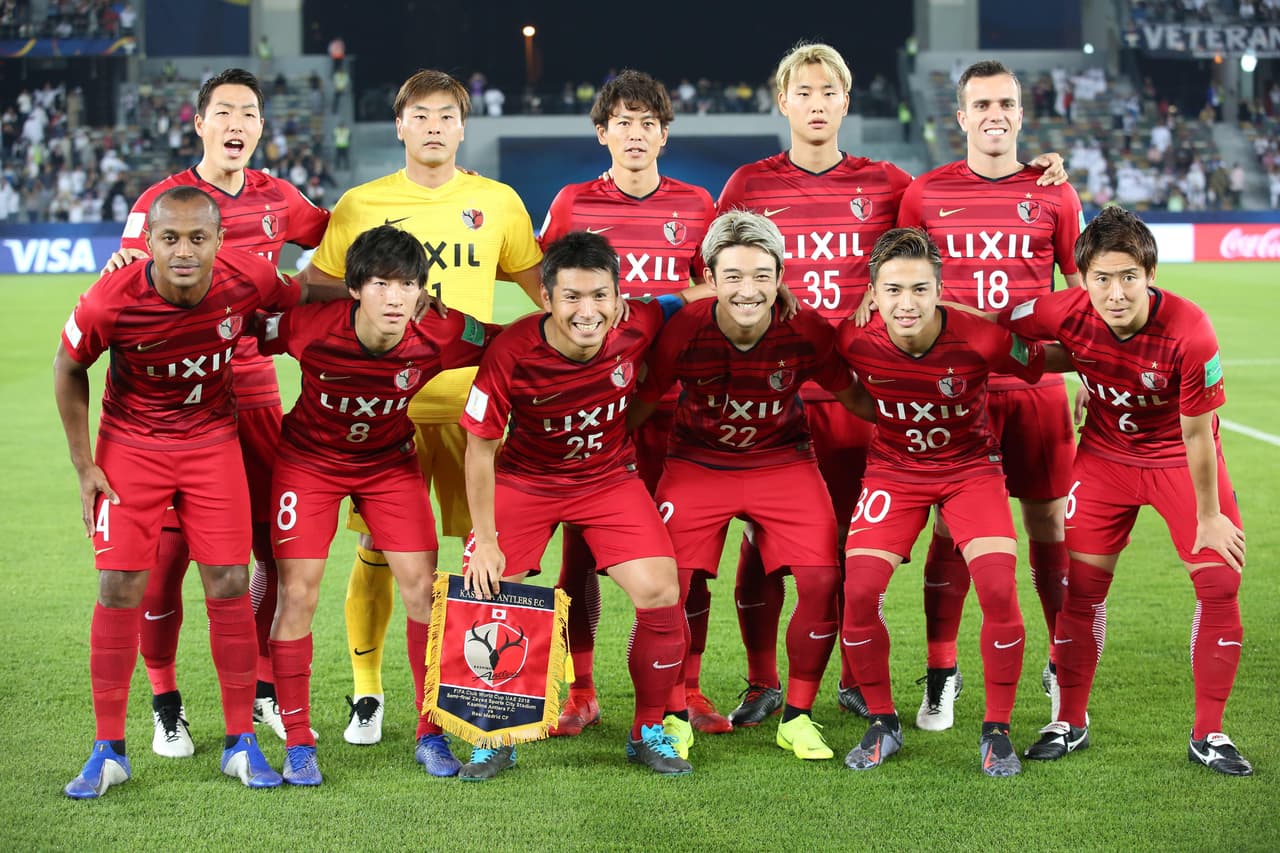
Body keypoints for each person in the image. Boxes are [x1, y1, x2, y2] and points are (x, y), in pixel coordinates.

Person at [296, 68, 543, 747]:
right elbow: (309, 294)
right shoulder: (359, 205)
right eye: (420, 115)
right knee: (380, 548)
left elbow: (547, 298)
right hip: (384, 418)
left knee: (480, 553)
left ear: (464, 127)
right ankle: (368, 691)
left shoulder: (499, 203)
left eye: (446, 116)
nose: (434, 126)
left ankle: (470, 694)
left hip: (473, 419)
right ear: (400, 124)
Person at [54, 186, 320, 798]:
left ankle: (239, 744)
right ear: (146, 243)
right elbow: (68, 367)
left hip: (210, 445)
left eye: (197, 238)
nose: (183, 251)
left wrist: (373, 288)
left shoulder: (247, 275)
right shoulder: (110, 298)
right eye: (169, 238)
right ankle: (108, 750)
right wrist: (83, 465)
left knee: (228, 580)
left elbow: (301, 293)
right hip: (131, 448)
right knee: (120, 584)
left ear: (219, 241)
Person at [111, 68, 332, 755]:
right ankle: (165, 700)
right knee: (167, 557)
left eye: (250, 113)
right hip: (179, 400)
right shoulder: (162, 199)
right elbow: (123, 274)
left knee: (272, 547)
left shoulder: (280, 198)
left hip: (258, 396)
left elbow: (335, 245)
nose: (237, 123)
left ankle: (264, 687)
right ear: (199, 122)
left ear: (262, 127)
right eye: (225, 111)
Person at [1000, 206, 1251, 777]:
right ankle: (1070, 720)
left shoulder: (1191, 330)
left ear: (1151, 275)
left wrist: (1209, 515)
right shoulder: (1061, 308)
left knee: (1219, 581)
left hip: (1177, 460)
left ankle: (1209, 733)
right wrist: (1071, 366)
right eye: (1102, 279)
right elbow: (1003, 325)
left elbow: (1197, 435)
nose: (1116, 293)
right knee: (1079, 588)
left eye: (1129, 277)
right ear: (1082, 279)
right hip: (1106, 459)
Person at [714, 42, 910, 727]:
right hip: (771, 394)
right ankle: (762, 680)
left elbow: (930, 251)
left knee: (859, 543)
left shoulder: (888, 184)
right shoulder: (748, 185)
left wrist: (1037, 173)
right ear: (783, 101)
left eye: (830, 91)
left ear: (845, 101)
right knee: (761, 543)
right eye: (805, 91)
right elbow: (714, 278)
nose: (818, 103)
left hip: (857, 393)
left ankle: (857, 675)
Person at [261, 225, 501, 785]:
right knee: (298, 592)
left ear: (423, 291)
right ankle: (298, 741)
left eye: (408, 285)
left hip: (388, 463)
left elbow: (504, 341)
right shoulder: (309, 329)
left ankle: (429, 732)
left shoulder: (439, 330)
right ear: (354, 290)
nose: (395, 297)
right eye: (380, 283)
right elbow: (242, 333)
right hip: (308, 462)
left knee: (424, 588)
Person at [459, 231, 693, 779]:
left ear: (618, 297)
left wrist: (761, 289)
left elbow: (684, 297)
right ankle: (494, 734)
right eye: (571, 298)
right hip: (526, 479)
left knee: (662, 590)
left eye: (600, 297)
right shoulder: (511, 353)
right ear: (545, 298)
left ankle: (648, 730)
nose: (587, 312)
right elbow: (479, 449)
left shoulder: (637, 320)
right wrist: (486, 540)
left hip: (607, 478)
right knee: (487, 588)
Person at [896, 59, 1083, 731]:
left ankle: (1063, 663)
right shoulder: (923, 194)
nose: (995, 113)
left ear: (1022, 115)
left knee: (1048, 528)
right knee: (950, 533)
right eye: (982, 103)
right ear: (961, 116)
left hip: (1036, 389)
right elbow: (903, 288)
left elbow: (1076, 291)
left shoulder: (1056, 194)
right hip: (954, 393)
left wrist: (1086, 371)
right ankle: (942, 673)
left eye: (1006, 102)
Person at [631, 210, 857, 761]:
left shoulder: (806, 327)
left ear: (781, 274)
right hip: (698, 462)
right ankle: (674, 713)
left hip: (782, 460)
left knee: (823, 578)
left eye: (761, 274)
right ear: (709, 277)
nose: (748, 289)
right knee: (669, 586)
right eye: (732, 276)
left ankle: (798, 717)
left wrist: (913, 417)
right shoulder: (683, 328)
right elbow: (641, 397)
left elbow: (852, 389)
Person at [537, 69, 722, 738]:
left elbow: (714, 295)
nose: (636, 132)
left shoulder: (699, 205)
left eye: (648, 122)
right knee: (580, 552)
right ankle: (580, 687)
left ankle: (687, 685)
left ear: (665, 135)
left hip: (676, 404)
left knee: (688, 551)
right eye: (623, 120)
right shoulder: (572, 203)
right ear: (602, 131)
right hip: (592, 407)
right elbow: (544, 293)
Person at [834, 227, 1045, 777]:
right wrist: (887, 421)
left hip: (970, 471)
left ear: (939, 291)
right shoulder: (850, 339)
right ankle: (883, 720)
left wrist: (1099, 382)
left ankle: (996, 730)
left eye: (921, 290)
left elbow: (1042, 362)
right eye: (894, 290)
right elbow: (841, 386)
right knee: (858, 591)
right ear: (872, 295)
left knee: (999, 585)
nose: (907, 304)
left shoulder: (980, 336)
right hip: (893, 472)